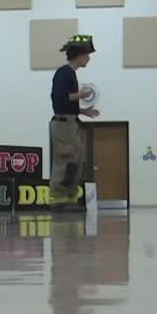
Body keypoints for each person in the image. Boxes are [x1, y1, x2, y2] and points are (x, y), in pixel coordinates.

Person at [48, 35, 100, 210]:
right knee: (65, 160)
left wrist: (84, 111)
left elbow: (67, 103)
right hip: (63, 125)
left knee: (77, 160)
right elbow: (59, 98)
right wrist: (81, 95)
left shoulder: (70, 74)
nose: (89, 59)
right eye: (87, 54)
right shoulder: (64, 73)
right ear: (80, 55)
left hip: (69, 123)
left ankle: (68, 198)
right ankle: (58, 199)